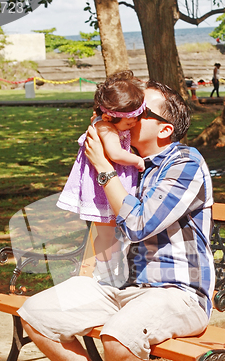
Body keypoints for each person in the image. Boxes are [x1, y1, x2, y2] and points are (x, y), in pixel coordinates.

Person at [18, 79, 215, 361]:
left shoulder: (184, 162)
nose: (130, 115)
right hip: (120, 286)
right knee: (36, 314)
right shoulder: (128, 167)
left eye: (141, 111)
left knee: (120, 333)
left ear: (164, 129)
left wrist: (106, 167)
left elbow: (141, 223)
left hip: (178, 293)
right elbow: (105, 225)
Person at [57, 71, 146, 285]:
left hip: (109, 184)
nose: (134, 123)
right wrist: (137, 161)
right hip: (103, 190)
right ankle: (106, 273)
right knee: (107, 235)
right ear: (108, 116)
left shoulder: (106, 121)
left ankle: (114, 269)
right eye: (128, 121)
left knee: (113, 233)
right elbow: (115, 154)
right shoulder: (105, 127)